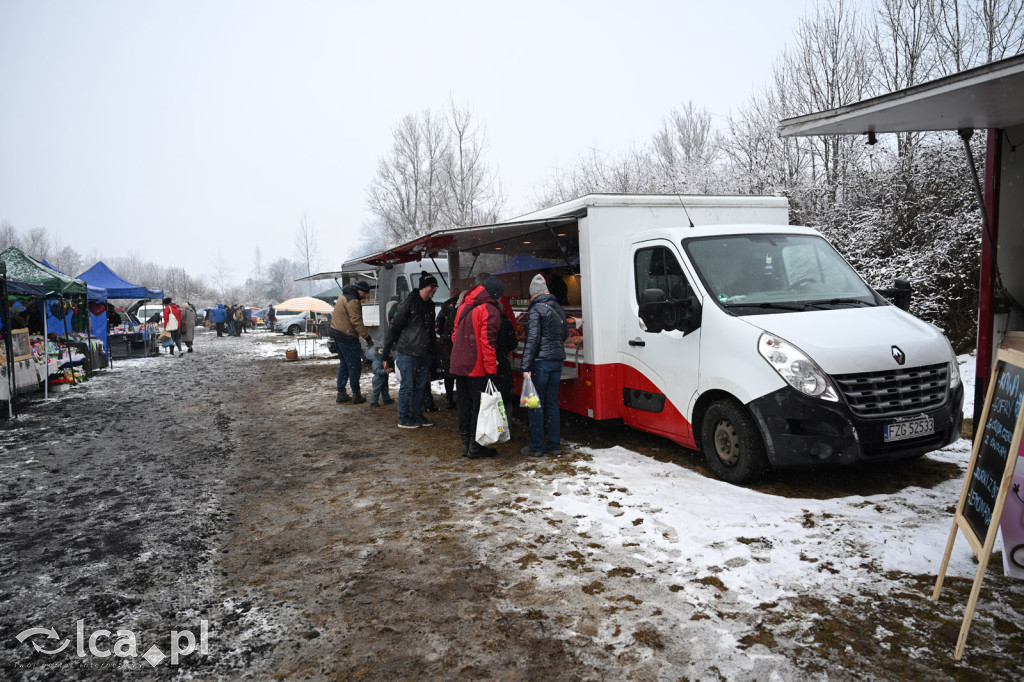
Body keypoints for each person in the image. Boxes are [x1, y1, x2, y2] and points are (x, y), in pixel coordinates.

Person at [450, 276, 504, 459]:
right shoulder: (489, 310)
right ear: (496, 296)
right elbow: (488, 343)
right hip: (476, 366)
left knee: (464, 405)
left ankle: (466, 444)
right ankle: (475, 445)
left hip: (459, 364)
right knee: (478, 407)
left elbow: (454, 335)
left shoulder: (465, 306)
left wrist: (463, 352)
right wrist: (491, 371)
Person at [520, 274, 570, 456]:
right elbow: (565, 334)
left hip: (541, 363)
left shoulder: (535, 310)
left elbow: (532, 340)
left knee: (535, 404)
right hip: (557, 361)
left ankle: (535, 447)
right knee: (552, 403)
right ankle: (554, 445)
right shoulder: (557, 307)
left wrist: (525, 367)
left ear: (533, 294)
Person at [382, 272, 439, 429]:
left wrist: (433, 353)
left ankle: (417, 415)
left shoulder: (431, 305)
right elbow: (394, 328)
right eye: (431, 287)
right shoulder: (408, 303)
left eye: (435, 287)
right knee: (407, 386)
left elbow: (430, 332)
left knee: (420, 386)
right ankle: (403, 417)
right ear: (423, 287)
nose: (433, 290)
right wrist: (386, 353)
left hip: (424, 353)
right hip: (408, 353)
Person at [329, 281, 373, 404]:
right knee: (354, 366)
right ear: (358, 289)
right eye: (364, 292)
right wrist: (367, 337)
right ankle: (356, 395)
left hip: (337, 334)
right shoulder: (353, 301)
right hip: (347, 337)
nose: (364, 295)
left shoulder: (343, 296)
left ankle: (341, 393)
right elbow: (356, 321)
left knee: (344, 364)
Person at [434, 286, 462, 410]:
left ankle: (449, 399)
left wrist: (444, 334)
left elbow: (438, 324)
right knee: (461, 372)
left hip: (446, 344)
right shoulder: (463, 307)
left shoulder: (445, 306)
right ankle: (462, 398)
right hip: (459, 342)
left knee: (448, 372)